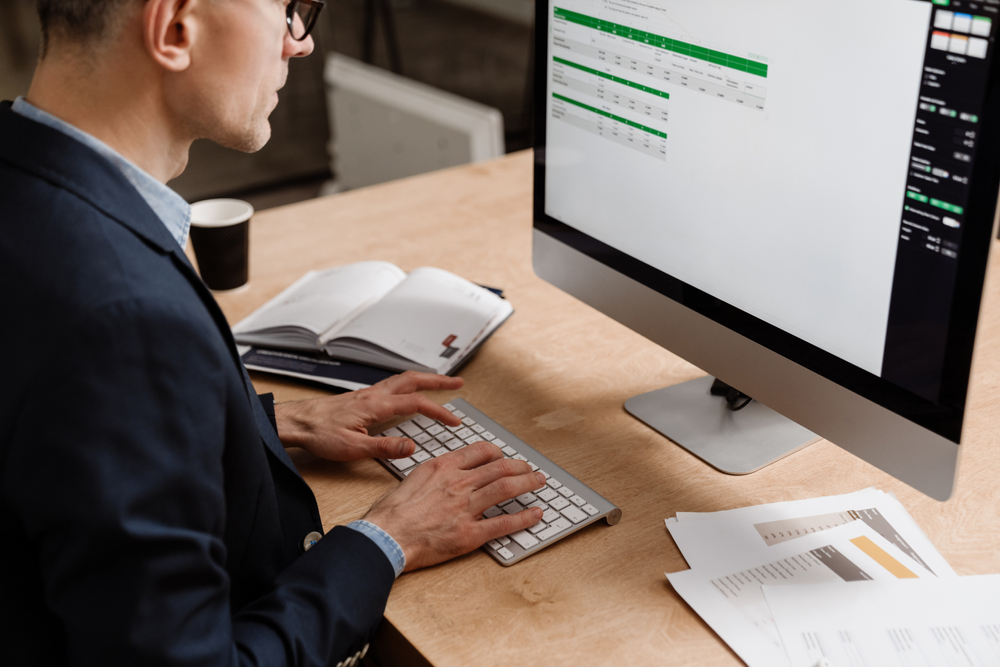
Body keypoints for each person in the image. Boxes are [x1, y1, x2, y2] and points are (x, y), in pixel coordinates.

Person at [0, 0, 545, 664]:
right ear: (175, 26)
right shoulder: (128, 322)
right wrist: (385, 537)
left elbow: (50, 425)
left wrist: (255, 422)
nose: (299, 45)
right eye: (288, 9)